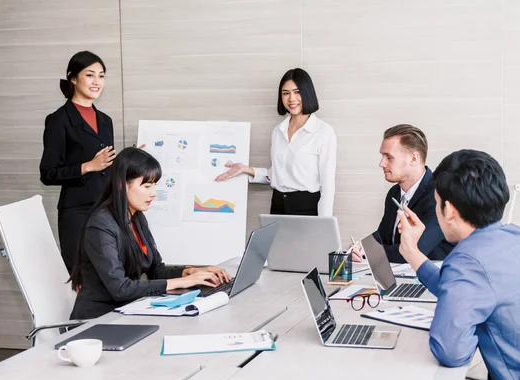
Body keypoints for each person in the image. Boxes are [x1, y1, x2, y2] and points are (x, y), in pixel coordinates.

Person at [397, 149, 520, 380]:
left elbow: (451, 352)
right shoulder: (519, 237)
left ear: (449, 210)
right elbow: (470, 291)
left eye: (437, 203)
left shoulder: (466, 261)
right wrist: (413, 253)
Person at [69, 148, 230, 320]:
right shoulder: (100, 224)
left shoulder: (137, 217)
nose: (153, 193)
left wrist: (191, 272)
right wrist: (183, 282)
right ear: (121, 184)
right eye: (146, 186)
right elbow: (120, 288)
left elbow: (157, 271)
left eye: (154, 185)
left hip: (127, 312)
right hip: (96, 321)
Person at [215, 68, 337, 216]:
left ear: (307, 93)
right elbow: (277, 175)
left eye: (297, 92)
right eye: (286, 93)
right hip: (278, 205)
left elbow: (328, 186)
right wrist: (246, 169)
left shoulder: (323, 132)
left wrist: (324, 225)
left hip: (307, 208)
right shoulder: (278, 131)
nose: (291, 98)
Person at [39, 51, 116, 274]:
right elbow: (48, 173)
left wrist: (130, 161)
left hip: (106, 209)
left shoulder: (105, 120)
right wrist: (88, 166)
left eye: (101, 76)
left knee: (108, 276)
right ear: (73, 78)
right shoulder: (58, 120)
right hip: (77, 213)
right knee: (80, 278)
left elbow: (106, 166)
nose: (97, 82)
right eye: (90, 75)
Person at [352, 124, 453, 263]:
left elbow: (413, 250)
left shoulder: (439, 195)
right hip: (406, 276)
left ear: (413, 159)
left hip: (435, 279)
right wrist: (359, 248)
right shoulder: (394, 193)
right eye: (382, 156)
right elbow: (384, 236)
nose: (382, 163)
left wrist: (369, 252)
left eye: (389, 157)